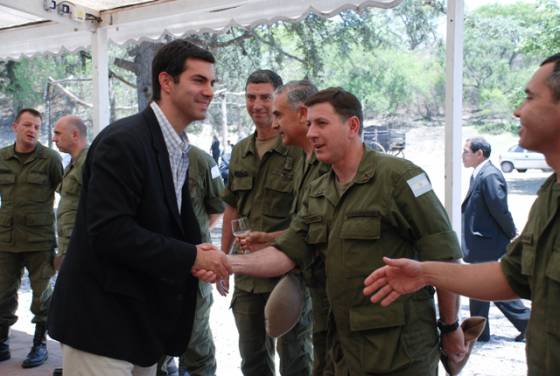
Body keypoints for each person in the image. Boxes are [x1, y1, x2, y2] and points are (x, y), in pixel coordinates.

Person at [215, 88, 466, 375]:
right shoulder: (318, 190)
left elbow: (444, 257)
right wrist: (227, 262)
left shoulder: (400, 177)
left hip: (397, 354)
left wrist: (450, 326)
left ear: (353, 126)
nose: (311, 133)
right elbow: (287, 253)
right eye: (308, 124)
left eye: (321, 123)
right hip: (336, 350)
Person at [363, 53, 560, 376]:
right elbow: (510, 277)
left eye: (530, 97)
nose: (517, 110)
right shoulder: (550, 193)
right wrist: (427, 273)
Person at [47, 39, 231, 375]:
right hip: (100, 324)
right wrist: (191, 257)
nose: (209, 91)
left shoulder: (179, 147)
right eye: (198, 80)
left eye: (212, 82)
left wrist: (195, 252)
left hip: (143, 322)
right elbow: (109, 232)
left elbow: (160, 225)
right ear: (166, 81)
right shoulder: (124, 141)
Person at [220, 70, 311, 376]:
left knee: (295, 359)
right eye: (250, 97)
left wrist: (272, 239)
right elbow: (231, 207)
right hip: (247, 275)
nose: (257, 105)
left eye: (264, 97)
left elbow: (308, 219)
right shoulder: (239, 151)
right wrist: (224, 260)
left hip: (287, 273)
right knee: (253, 360)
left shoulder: (299, 149)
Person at [240, 80, 332, 375]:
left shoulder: (326, 166)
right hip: (299, 279)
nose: (272, 120)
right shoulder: (308, 162)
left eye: (278, 113)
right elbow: (304, 226)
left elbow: (315, 232)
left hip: (317, 288)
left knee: (298, 359)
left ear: (301, 113)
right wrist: (266, 239)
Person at [0, 108, 63, 368]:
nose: (32, 130)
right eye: (27, 125)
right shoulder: (2, 158)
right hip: (6, 239)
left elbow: (66, 194)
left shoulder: (50, 158)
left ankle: (39, 344)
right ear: (15, 126)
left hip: (39, 241)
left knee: (42, 296)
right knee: (2, 293)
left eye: (37, 126)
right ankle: (2, 341)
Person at [158, 144, 225, 376]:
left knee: (196, 339)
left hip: (195, 267)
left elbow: (217, 207)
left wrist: (189, 241)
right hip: (156, 265)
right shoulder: (142, 155)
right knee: (155, 341)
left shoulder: (202, 161)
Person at [461, 137, 530, 342]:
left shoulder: (489, 175)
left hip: (488, 244)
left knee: (488, 288)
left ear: (479, 153)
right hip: (482, 243)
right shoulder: (480, 174)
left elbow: (500, 210)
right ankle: (479, 332)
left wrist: (511, 234)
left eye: (466, 152)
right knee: (481, 288)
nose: (462, 156)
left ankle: (528, 323)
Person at [51, 115, 89, 376]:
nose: (54, 138)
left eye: (58, 133)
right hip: (68, 249)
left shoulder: (89, 162)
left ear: (75, 135)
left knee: (78, 309)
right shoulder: (72, 164)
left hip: (81, 252)